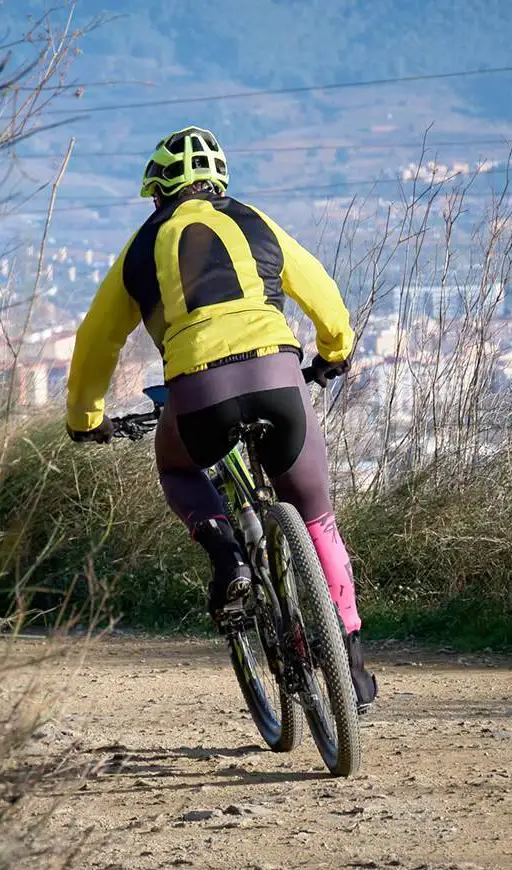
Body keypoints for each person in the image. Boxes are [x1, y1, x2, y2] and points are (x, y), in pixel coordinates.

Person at [63, 125, 377, 711]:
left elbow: (96, 340)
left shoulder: (142, 246)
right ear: (218, 182)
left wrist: (87, 419)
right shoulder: (255, 221)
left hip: (198, 390)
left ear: (158, 191)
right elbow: (323, 293)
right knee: (317, 516)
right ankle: (352, 667)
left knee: (179, 468)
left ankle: (228, 556)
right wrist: (333, 354)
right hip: (278, 378)